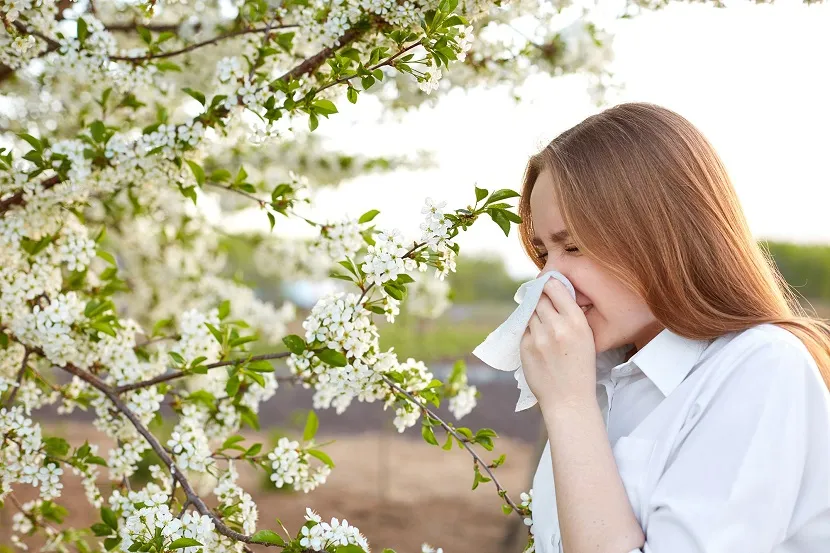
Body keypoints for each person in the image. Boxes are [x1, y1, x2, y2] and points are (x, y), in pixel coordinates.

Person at [516, 102, 830, 553]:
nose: (550, 280)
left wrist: (568, 408)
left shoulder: (761, 367)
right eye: (544, 253)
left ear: (660, 235)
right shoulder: (603, 378)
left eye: (575, 246)